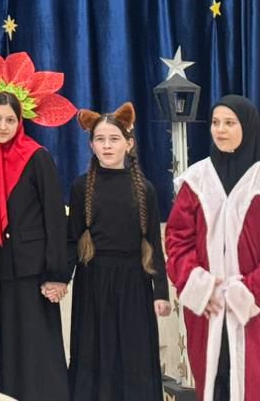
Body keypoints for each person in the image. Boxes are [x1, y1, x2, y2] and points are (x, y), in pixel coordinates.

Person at [166, 95, 260, 401]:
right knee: (214, 381)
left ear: (247, 126)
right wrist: (199, 286)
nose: (220, 130)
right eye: (215, 122)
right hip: (208, 311)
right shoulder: (196, 181)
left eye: (229, 123)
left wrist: (250, 291)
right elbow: (177, 240)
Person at [0, 90, 70, 401]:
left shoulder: (36, 156)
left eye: (10, 120)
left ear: (20, 122)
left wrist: (56, 273)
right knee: (5, 350)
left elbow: (55, 217)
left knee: (38, 350)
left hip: (33, 271)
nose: (2, 126)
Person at [66, 103, 169, 401]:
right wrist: (58, 278)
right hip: (93, 282)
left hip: (134, 283)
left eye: (114, 139)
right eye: (100, 139)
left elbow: (153, 242)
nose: (107, 145)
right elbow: (71, 239)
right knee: (94, 353)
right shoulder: (80, 186)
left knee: (134, 355)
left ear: (129, 143)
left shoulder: (145, 189)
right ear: (91, 145)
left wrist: (161, 292)